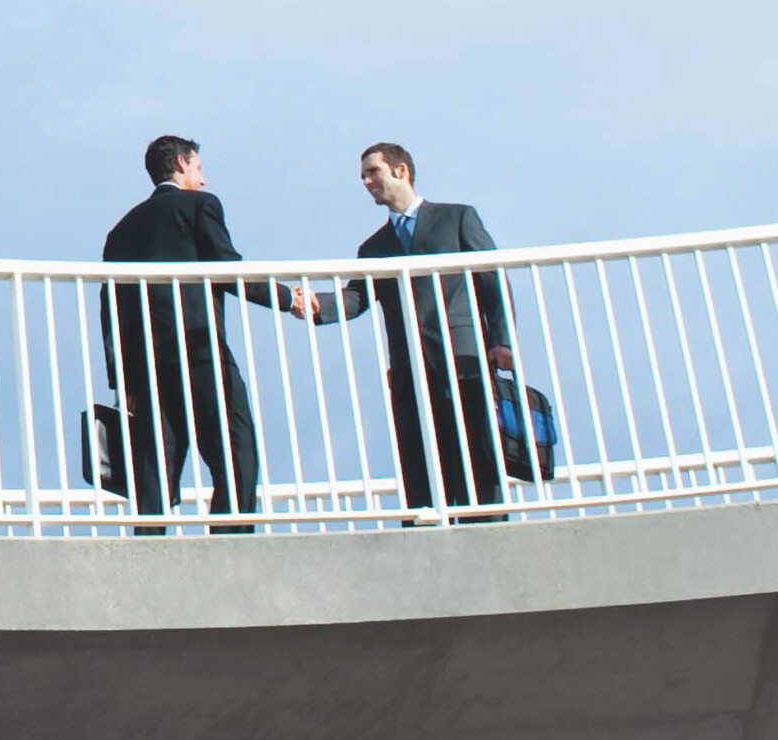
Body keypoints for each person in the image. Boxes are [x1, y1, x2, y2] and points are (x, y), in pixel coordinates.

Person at [292, 142, 512, 524]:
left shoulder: (456, 218)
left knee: (477, 459)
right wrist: (316, 305)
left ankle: (488, 539)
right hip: (410, 369)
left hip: (463, 360)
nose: (366, 182)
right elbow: (356, 298)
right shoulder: (373, 248)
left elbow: (492, 279)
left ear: (401, 171)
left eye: (372, 172)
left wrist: (501, 340)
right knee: (420, 464)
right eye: (363, 176)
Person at [100, 135, 294, 535]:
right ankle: (229, 540)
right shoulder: (200, 205)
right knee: (236, 447)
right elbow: (228, 269)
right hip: (198, 348)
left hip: (146, 363)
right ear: (181, 164)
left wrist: (122, 378)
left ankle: (149, 547)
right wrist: (288, 298)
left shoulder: (120, 231)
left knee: (156, 462)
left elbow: (110, 305)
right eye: (199, 168)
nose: (203, 179)